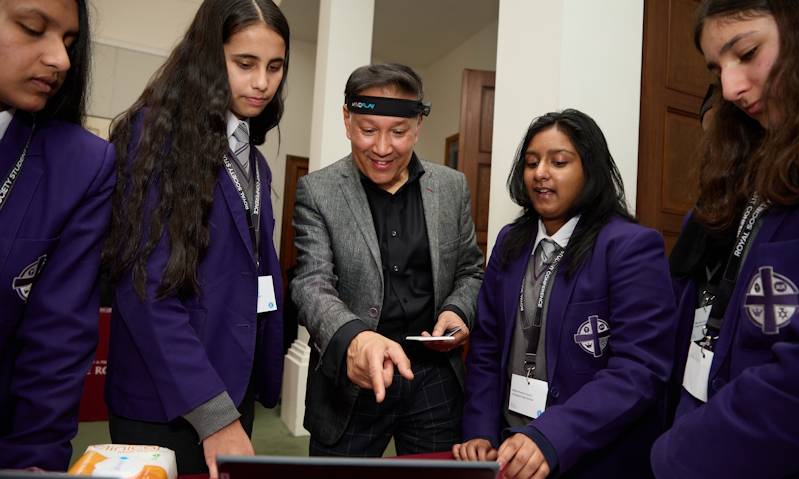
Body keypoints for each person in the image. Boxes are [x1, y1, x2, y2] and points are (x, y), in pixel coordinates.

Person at [100, 0, 288, 476]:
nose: (262, 82)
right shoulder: (155, 136)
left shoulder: (256, 160)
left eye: (275, 66)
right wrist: (215, 416)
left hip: (231, 386)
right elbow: (145, 293)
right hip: (166, 398)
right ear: (208, 57)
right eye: (244, 64)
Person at [454, 109, 676, 479]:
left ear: (590, 169)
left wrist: (551, 435)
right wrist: (479, 430)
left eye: (558, 162)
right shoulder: (511, 241)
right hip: (509, 452)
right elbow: (487, 350)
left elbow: (640, 369)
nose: (540, 172)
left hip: (591, 457)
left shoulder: (631, 246)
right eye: (531, 162)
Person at [291, 62, 484, 457]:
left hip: (433, 379)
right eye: (367, 131)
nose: (382, 148)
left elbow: (469, 271)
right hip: (353, 381)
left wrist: (458, 311)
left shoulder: (451, 187)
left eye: (397, 132)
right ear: (347, 121)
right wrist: (355, 339)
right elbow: (311, 284)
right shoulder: (318, 191)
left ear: (417, 126)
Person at [652, 1, 799, 477]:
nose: (732, 89)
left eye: (749, 52)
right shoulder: (752, 172)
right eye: (718, 70)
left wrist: (675, 454)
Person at [0, 0, 115, 470]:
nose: (62, 60)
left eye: (70, 42)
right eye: (32, 29)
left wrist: (31, 466)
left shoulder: (82, 167)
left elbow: (55, 350)